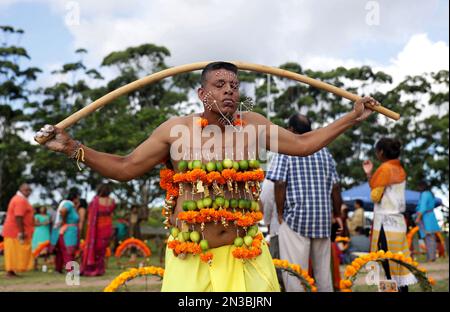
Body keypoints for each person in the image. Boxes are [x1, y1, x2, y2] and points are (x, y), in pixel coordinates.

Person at [35, 61, 378, 291]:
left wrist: (352, 116)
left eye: (234, 85)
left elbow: (303, 144)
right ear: (202, 94)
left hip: (248, 256)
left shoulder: (254, 127)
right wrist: (73, 148)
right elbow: (126, 168)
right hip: (191, 259)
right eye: (220, 84)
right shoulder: (175, 130)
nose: (230, 90)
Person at [267, 113, 343, 292]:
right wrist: (337, 214)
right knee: (324, 275)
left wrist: (279, 213)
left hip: (296, 218)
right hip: (323, 219)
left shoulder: (286, 149)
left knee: (295, 273)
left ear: (291, 130)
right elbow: (336, 186)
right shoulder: (325, 152)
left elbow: (279, 182)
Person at [363, 137, 416, 291]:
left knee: (386, 265)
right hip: (398, 224)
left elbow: (375, 195)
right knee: (400, 263)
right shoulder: (399, 168)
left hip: (385, 225)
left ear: (380, 152)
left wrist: (369, 175)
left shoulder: (385, 169)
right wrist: (369, 175)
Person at [81, 184, 116, 276]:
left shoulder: (95, 200)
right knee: (102, 250)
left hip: (97, 228)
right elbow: (112, 212)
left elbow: (90, 214)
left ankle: (93, 269)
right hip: (108, 227)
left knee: (95, 249)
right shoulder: (112, 201)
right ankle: (100, 269)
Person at [3, 183, 34, 277]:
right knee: (13, 252)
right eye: (26, 190)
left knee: (15, 252)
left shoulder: (20, 199)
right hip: (14, 231)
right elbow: (18, 216)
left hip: (14, 231)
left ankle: (12, 271)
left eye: (29, 190)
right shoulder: (20, 200)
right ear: (20, 190)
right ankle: (10, 272)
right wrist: (21, 232)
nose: (28, 192)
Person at [50, 187, 80, 273]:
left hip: (64, 230)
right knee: (68, 250)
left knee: (61, 251)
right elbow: (63, 211)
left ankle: (58, 269)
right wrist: (64, 222)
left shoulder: (70, 205)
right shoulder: (69, 204)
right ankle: (71, 270)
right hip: (68, 231)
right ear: (75, 197)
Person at [414, 180, 441, 262]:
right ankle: (431, 257)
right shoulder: (430, 194)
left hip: (426, 218)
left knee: (428, 238)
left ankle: (431, 257)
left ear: (422, 186)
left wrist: (418, 218)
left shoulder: (425, 194)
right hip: (430, 217)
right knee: (431, 238)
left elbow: (422, 207)